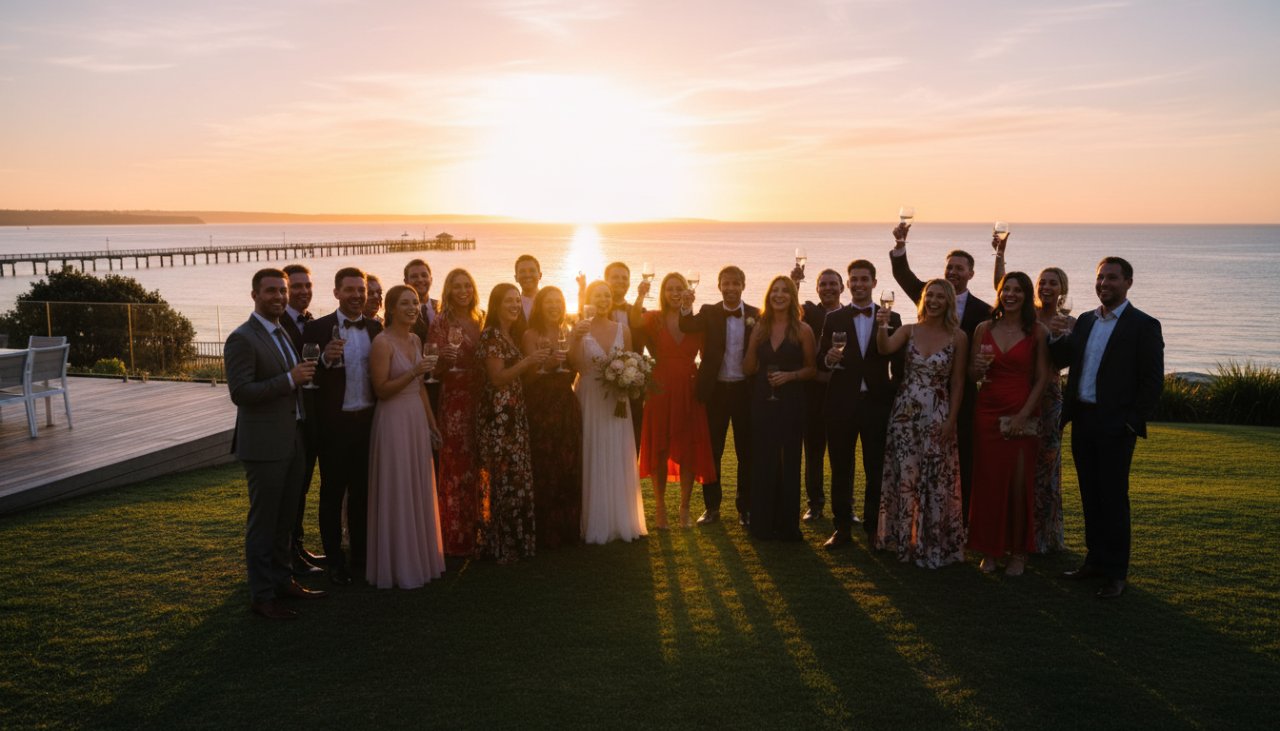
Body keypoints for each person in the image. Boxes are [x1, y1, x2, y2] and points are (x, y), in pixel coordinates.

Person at [1050, 257, 1163, 599]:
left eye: (1112, 278)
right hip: (1083, 420)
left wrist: (1129, 422)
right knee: (1090, 495)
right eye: (1100, 278)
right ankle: (1095, 561)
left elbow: (1152, 382)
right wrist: (1052, 338)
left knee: (1113, 499)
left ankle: (1116, 572)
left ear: (1128, 282)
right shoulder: (1084, 321)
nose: (1104, 284)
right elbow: (1062, 359)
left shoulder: (1143, 325)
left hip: (1116, 425)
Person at [224, 268, 327, 620]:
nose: (279, 297)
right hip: (265, 444)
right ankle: (262, 595)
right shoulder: (242, 338)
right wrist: (289, 379)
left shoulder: (282, 330)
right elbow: (240, 392)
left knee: (285, 521)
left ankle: (284, 582)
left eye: (282, 291)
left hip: (292, 437)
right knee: (264, 523)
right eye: (271, 291)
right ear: (255, 295)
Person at [890, 222, 991, 522]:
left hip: (961, 395)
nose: (953, 272)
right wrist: (900, 245)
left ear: (971, 274)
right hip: (919, 398)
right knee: (918, 461)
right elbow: (902, 275)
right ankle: (919, 519)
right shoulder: (929, 294)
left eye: (960, 268)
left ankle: (960, 519)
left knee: (962, 458)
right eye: (949, 267)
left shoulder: (983, 311)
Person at [874, 279, 969, 569]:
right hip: (904, 414)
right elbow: (884, 348)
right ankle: (903, 540)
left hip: (938, 414)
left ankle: (933, 543)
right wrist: (881, 325)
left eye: (940, 296)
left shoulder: (958, 337)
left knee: (935, 479)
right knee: (905, 477)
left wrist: (952, 419)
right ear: (923, 299)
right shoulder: (909, 330)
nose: (934, 301)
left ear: (949, 301)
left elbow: (957, 381)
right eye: (930, 296)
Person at [967, 272, 1050, 576]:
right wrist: (975, 369)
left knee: (1018, 486)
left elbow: (1042, 378)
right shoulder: (983, 328)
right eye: (1006, 289)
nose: (1010, 295)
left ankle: (1017, 553)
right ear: (999, 293)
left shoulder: (1037, 331)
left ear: (1027, 295)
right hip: (987, 412)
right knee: (987, 483)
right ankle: (988, 549)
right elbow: (973, 377)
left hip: (1021, 410)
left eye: (1017, 290)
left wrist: (1023, 415)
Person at [302, 267, 381, 585]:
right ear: (336, 293)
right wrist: (323, 362)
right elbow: (306, 377)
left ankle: (360, 556)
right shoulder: (317, 329)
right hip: (335, 426)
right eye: (350, 290)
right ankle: (334, 560)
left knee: (363, 494)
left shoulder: (376, 329)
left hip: (368, 424)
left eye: (361, 290)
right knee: (332, 494)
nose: (357, 295)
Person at [994, 239, 1073, 553]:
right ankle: (1016, 532)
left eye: (1053, 283)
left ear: (1062, 289)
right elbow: (1000, 285)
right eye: (1042, 282)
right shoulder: (1027, 317)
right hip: (1018, 395)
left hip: (1050, 399)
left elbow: (1067, 361)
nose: (1047, 287)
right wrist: (999, 253)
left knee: (1047, 466)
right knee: (1018, 467)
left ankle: (1045, 536)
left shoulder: (1070, 322)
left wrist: (1062, 336)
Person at [817, 260, 903, 548]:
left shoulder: (893, 318)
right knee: (841, 469)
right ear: (848, 284)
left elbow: (900, 364)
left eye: (864, 279)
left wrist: (890, 392)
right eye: (854, 279)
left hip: (877, 405)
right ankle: (841, 529)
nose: (859, 284)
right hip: (840, 404)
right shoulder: (834, 319)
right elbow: (821, 358)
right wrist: (829, 359)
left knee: (876, 469)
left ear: (874, 283)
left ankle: (872, 529)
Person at [366, 285, 446, 588]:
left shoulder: (415, 339)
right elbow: (382, 390)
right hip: (393, 421)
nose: (412, 308)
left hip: (415, 417)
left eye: (415, 302)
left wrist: (431, 423)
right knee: (398, 486)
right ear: (391, 308)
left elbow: (422, 387)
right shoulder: (382, 343)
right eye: (405, 303)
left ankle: (421, 557)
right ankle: (398, 564)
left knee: (418, 484)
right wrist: (414, 371)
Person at [633, 272, 716, 530]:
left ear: (688, 291)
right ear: (663, 292)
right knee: (659, 448)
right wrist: (638, 295)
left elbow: (709, 356)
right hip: (659, 390)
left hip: (689, 391)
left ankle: (684, 509)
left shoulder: (697, 322)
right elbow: (634, 321)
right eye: (669, 288)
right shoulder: (653, 318)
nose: (674, 292)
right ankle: (660, 509)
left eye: (679, 287)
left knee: (689, 448)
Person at [679, 266, 758, 527]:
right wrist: (685, 305)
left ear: (743, 286)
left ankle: (745, 509)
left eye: (736, 283)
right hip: (715, 392)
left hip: (745, 393)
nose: (731, 288)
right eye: (726, 283)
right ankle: (711, 508)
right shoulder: (708, 312)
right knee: (712, 451)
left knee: (747, 453)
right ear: (719, 286)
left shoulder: (757, 316)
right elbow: (686, 325)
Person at [574, 280, 647, 544]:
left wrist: (627, 379)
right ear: (589, 298)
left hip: (617, 398)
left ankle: (621, 519)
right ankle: (595, 520)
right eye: (597, 295)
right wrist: (575, 336)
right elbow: (577, 366)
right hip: (591, 396)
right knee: (593, 451)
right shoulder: (580, 327)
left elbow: (630, 360)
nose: (603, 299)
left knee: (617, 452)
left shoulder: (622, 329)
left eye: (606, 295)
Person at [742, 275, 816, 541]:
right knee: (763, 459)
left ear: (792, 296)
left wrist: (790, 376)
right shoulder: (759, 327)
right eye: (775, 290)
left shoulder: (803, 330)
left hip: (792, 401)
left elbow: (812, 369)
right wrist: (753, 340)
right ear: (768, 295)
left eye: (785, 291)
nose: (779, 295)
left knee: (789, 460)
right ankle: (761, 524)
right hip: (763, 399)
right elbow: (748, 368)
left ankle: (787, 526)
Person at [477, 283, 543, 563]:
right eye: (509, 301)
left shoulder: (511, 334)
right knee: (503, 477)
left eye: (518, 301)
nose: (515, 305)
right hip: (498, 415)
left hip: (514, 412)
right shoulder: (491, 335)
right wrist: (528, 362)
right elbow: (498, 378)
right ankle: (501, 544)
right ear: (496, 304)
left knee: (517, 476)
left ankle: (519, 540)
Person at [428, 268, 488, 556]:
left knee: (479, 463)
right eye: (457, 286)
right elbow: (432, 369)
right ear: (448, 291)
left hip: (481, 397)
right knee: (455, 466)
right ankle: (454, 535)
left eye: (467, 285)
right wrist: (442, 358)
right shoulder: (440, 322)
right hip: (454, 399)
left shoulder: (482, 318)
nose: (463, 290)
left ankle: (481, 528)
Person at [521, 286, 583, 549]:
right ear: (539, 305)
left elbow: (577, 367)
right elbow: (529, 376)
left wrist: (576, 343)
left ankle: (569, 529)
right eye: (549, 301)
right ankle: (545, 532)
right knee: (544, 464)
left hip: (566, 404)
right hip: (541, 404)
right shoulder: (530, 334)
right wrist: (546, 365)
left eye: (559, 301)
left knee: (568, 463)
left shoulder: (567, 333)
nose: (555, 306)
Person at [278, 263, 324, 575]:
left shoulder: (311, 322)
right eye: (296, 287)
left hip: (310, 419)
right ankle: (287, 554)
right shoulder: (278, 325)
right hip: (288, 422)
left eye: (307, 286)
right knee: (289, 491)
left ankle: (297, 548)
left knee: (302, 488)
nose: (303, 291)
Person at [789, 267, 845, 522]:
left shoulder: (850, 315)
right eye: (823, 284)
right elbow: (790, 310)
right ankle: (815, 504)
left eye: (833, 284)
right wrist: (794, 282)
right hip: (812, 396)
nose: (828, 288)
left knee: (842, 456)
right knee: (813, 454)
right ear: (817, 289)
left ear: (842, 288)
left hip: (842, 395)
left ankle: (846, 507)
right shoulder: (810, 311)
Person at [403, 259, 437, 346]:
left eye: (424, 275)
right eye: (414, 276)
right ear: (406, 282)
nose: (420, 279)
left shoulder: (443, 307)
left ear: (431, 279)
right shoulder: (400, 312)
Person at [515, 254, 542, 320]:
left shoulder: (551, 303)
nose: (527, 275)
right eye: (522, 271)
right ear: (516, 278)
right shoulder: (513, 306)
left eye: (532, 270)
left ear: (540, 275)